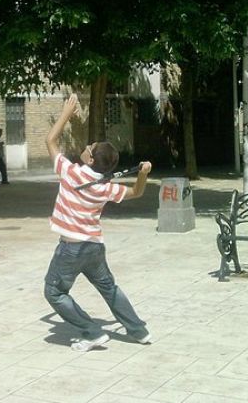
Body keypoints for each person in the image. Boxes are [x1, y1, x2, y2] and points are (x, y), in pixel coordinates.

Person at [44, 93, 153, 352]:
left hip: (71, 248)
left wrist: (66, 113)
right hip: (93, 248)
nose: (87, 146)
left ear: (91, 159)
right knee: (109, 288)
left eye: (90, 148)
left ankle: (92, 332)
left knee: (54, 291)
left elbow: (50, 140)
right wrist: (143, 174)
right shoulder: (105, 187)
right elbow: (137, 193)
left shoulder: (71, 172)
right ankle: (138, 331)